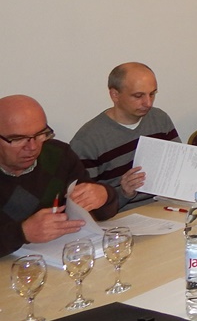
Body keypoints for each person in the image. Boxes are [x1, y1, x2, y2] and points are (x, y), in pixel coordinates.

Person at [0, 95, 118, 257]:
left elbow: (98, 214)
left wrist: (104, 195)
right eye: (18, 139)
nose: (33, 147)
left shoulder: (59, 155)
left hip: (60, 259)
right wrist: (22, 233)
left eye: (40, 134)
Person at [70, 62, 181, 210]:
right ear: (115, 95)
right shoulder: (88, 139)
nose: (148, 103)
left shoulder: (159, 119)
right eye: (138, 96)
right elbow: (83, 205)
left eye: (152, 94)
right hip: (122, 215)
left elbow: (178, 167)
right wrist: (123, 192)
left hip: (164, 206)